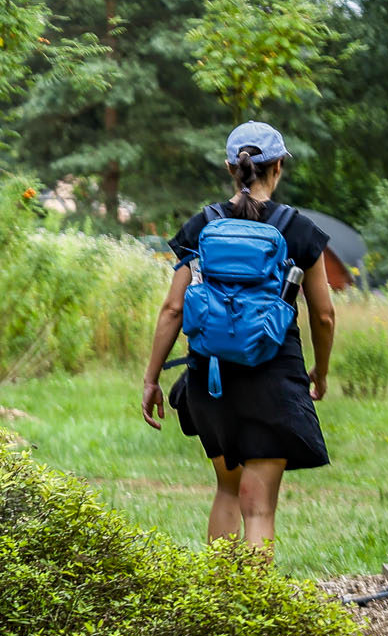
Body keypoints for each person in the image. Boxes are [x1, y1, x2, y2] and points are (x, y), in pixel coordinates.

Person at [140, 121, 337, 554]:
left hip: (210, 377)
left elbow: (173, 308)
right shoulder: (297, 229)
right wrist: (319, 373)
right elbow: (323, 316)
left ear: (232, 167)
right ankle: (254, 611)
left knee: (228, 491)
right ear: (278, 166)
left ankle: (222, 609)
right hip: (274, 375)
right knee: (259, 506)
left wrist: (152, 378)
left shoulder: (202, 224)